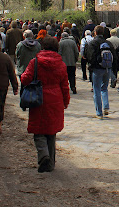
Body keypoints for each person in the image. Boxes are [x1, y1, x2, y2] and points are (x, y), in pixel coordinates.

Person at [21, 36, 70, 173]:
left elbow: (25, 79)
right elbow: (65, 86)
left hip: (39, 98)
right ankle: (51, 163)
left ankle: (44, 156)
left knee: (39, 131)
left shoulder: (35, 62)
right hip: (56, 99)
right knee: (51, 132)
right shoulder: (61, 64)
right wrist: (65, 102)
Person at [85, 25, 116, 119]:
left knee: (97, 89)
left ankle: (99, 112)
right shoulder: (108, 43)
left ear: (95, 32)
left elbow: (89, 56)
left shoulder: (93, 43)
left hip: (97, 68)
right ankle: (106, 106)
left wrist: (92, 65)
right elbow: (114, 56)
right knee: (104, 88)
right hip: (107, 68)